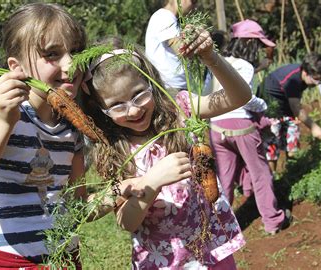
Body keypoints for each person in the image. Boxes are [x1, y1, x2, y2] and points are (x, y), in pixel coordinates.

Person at [0, 3, 139, 269]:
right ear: (17, 67)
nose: (71, 64)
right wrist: (3, 121)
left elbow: (75, 206)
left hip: (63, 255)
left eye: (75, 51)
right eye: (52, 54)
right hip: (4, 260)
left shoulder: (72, 126)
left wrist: (121, 190)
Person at [81, 28, 251, 269]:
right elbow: (126, 221)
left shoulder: (179, 108)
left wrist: (210, 57)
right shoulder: (114, 148)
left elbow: (239, 96)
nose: (133, 110)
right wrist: (152, 181)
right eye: (117, 105)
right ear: (101, 109)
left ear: (151, 82)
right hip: (165, 259)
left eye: (139, 94)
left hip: (211, 246)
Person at [205, 19, 290, 235]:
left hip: (217, 127)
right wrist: (263, 107)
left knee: (224, 180)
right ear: (251, 43)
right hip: (241, 126)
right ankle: (272, 220)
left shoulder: (216, 61)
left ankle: (219, 228)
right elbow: (245, 98)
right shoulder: (245, 66)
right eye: (258, 44)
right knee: (260, 173)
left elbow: (208, 94)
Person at [258, 52, 321, 173]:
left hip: (285, 106)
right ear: (306, 72)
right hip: (270, 109)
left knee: (292, 138)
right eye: (316, 79)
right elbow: (297, 108)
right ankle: (272, 178)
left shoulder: (303, 76)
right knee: (272, 146)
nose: (317, 83)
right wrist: (314, 127)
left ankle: (291, 172)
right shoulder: (293, 79)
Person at [145, 0, 196, 96]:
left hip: (173, 86)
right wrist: (192, 34)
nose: (194, 7)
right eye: (193, 1)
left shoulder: (168, 18)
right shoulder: (164, 17)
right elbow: (180, 49)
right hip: (170, 87)